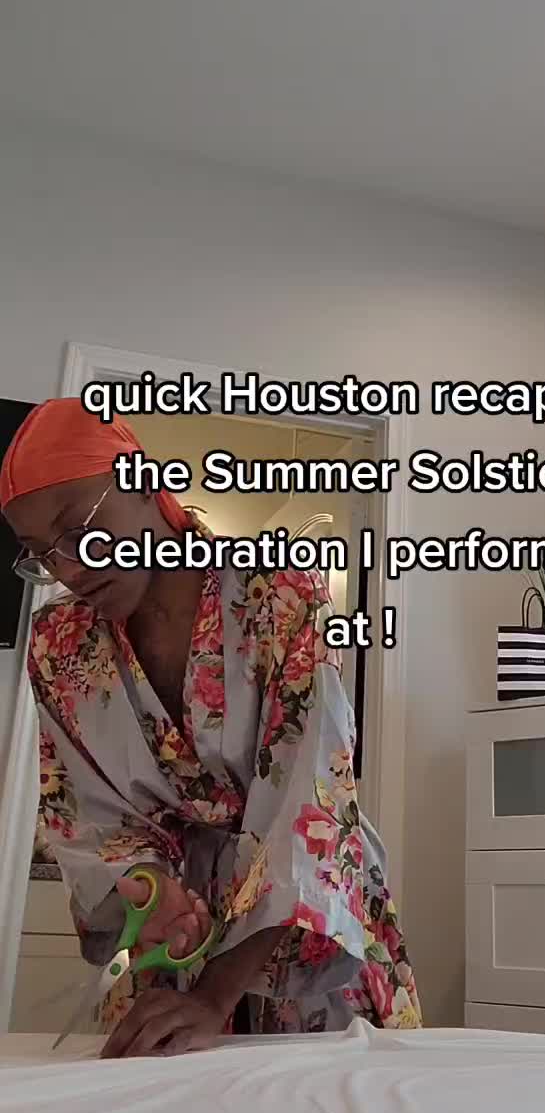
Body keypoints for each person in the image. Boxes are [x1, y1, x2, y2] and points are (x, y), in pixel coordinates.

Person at [1, 398, 421, 1057]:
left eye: (78, 527)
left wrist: (212, 997)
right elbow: (87, 819)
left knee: (325, 1103)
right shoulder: (59, 645)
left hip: (300, 936)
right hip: (172, 949)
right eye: (41, 554)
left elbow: (311, 804)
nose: (69, 569)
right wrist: (148, 893)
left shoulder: (278, 591)